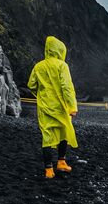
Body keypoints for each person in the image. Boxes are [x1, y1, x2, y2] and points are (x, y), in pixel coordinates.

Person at [27, 36, 78, 179]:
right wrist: (72, 106)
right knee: (64, 132)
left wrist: (41, 94)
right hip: (61, 107)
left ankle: (49, 169)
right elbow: (67, 87)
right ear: (60, 50)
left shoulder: (38, 66)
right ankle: (61, 162)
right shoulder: (62, 66)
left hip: (44, 107)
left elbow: (31, 85)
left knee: (47, 136)